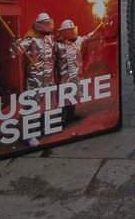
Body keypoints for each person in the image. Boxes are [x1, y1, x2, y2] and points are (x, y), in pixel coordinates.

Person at [10, 11, 56, 145]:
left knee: (44, 106)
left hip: (48, 81)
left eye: (49, 23)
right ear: (39, 25)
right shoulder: (30, 39)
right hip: (34, 81)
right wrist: (15, 45)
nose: (48, 26)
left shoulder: (50, 38)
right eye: (45, 24)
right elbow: (15, 53)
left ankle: (42, 128)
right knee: (31, 108)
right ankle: (29, 136)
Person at [54, 19, 101, 124]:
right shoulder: (58, 45)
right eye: (68, 31)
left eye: (72, 30)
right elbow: (53, 60)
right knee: (63, 97)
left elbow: (87, 37)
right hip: (64, 76)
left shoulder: (78, 40)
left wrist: (97, 29)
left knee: (74, 94)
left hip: (76, 75)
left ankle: (71, 114)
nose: (71, 32)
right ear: (63, 32)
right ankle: (61, 118)